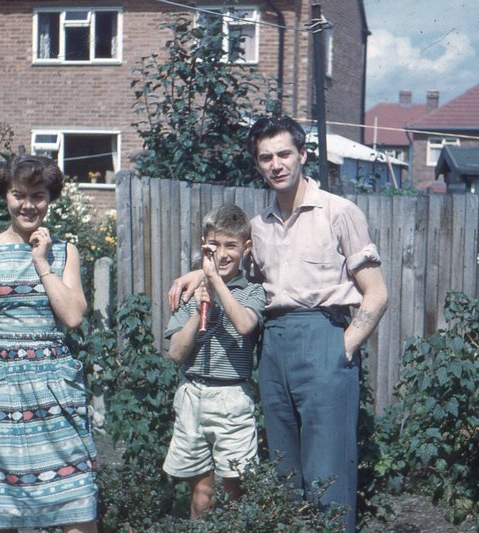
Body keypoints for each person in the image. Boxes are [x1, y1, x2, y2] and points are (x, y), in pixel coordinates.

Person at [169, 116, 388, 531]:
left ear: (303, 155)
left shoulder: (339, 213)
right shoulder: (259, 226)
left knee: (328, 470)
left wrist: (342, 348)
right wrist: (198, 273)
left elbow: (376, 293)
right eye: (266, 157)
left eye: (284, 154)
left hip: (324, 337)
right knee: (283, 471)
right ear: (258, 164)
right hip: (273, 346)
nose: (276, 164)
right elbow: (231, 265)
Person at [0, 155, 98, 533]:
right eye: (19, 194)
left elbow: (73, 316)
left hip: (54, 391)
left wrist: (42, 262)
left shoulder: (65, 252)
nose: (28, 205)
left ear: (50, 198)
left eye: (38, 195)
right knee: (0, 508)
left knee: (77, 503)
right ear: (5, 195)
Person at [163, 204, 266, 519]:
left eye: (230, 246)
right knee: (202, 495)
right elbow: (176, 353)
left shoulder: (253, 292)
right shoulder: (189, 292)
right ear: (204, 245)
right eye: (214, 245)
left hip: (231, 397)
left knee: (234, 491)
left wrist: (213, 281)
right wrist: (197, 309)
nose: (222, 254)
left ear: (245, 248)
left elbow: (245, 325)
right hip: (193, 395)